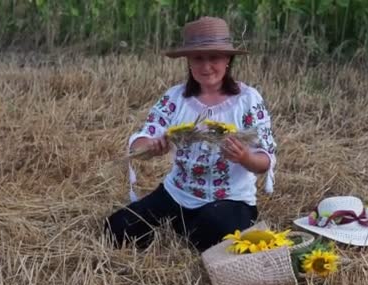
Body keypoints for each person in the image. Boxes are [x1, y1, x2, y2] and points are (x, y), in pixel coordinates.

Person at [104, 16, 277, 252]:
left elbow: (265, 160)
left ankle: (184, 228)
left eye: (214, 57)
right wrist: (151, 146)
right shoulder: (176, 98)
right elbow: (143, 138)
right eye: (198, 58)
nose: (206, 67)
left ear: (228, 59)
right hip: (177, 193)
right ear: (188, 61)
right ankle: (182, 224)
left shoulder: (248, 100)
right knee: (115, 229)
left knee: (212, 226)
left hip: (230, 200)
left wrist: (244, 158)